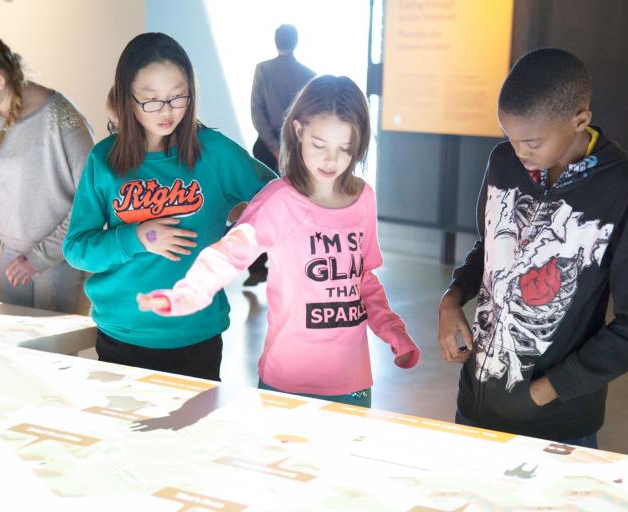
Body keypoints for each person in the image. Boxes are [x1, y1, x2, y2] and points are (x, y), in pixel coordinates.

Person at [138, 75, 420, 407]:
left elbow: (363, 280)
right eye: (319, 144)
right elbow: (228, 255)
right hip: (287, 383)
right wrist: (185, 296)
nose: (330, 160)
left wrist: (392, 330)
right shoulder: (278, 201)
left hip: (351, 382)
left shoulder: (364, 199)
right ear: (299, 131)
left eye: (344, 149)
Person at [437, 48, 628, 448]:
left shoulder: (625, 188)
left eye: (532, 141)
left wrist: (545, 390)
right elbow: (489, 250)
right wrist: (452, 300)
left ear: (580, 119)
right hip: (474, 406)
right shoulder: (504, 161)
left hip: (560, 423)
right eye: (510, 137)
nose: (519, 152)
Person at [63, 32, 276, 381]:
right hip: (123, 334)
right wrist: (137, 237)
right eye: (151, 100)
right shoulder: (104, 160)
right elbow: (76, 249)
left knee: (195, 431)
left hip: (197, 334)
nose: (166, 111)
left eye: (178, 97)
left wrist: (237, 236)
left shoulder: (215, 151)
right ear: (127, 99)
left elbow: (279, 201)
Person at [0, 27, 93, 312]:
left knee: (54, 353)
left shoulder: (62, 120)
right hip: (13, 259)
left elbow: (90, 202)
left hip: (61, 258)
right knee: (18, 349)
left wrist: (38, 258)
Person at [244, 24, 316, 286]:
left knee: (260, 207)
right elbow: (310, 118)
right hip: (296, 150)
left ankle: (257, 267)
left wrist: (273, 144)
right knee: (293, 209)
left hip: (265, 148)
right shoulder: (308, 74)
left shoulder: (263, 69)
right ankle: (290, 268)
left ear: (276, 41)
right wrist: (287, 146)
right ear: (296, 42)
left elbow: (257, 112)